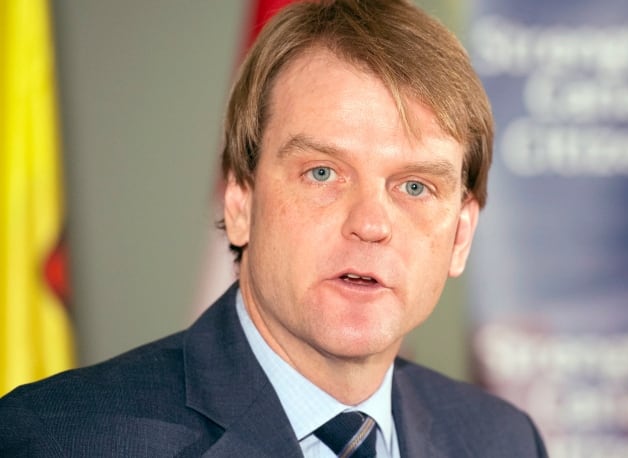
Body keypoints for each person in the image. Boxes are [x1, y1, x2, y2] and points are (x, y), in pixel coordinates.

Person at [0, 1, 547, 456]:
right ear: (241, 200)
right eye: (323, 173)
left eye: (414, 186)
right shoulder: (56, 439)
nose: (372, 223)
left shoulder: (503, 440)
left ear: (460, 235)